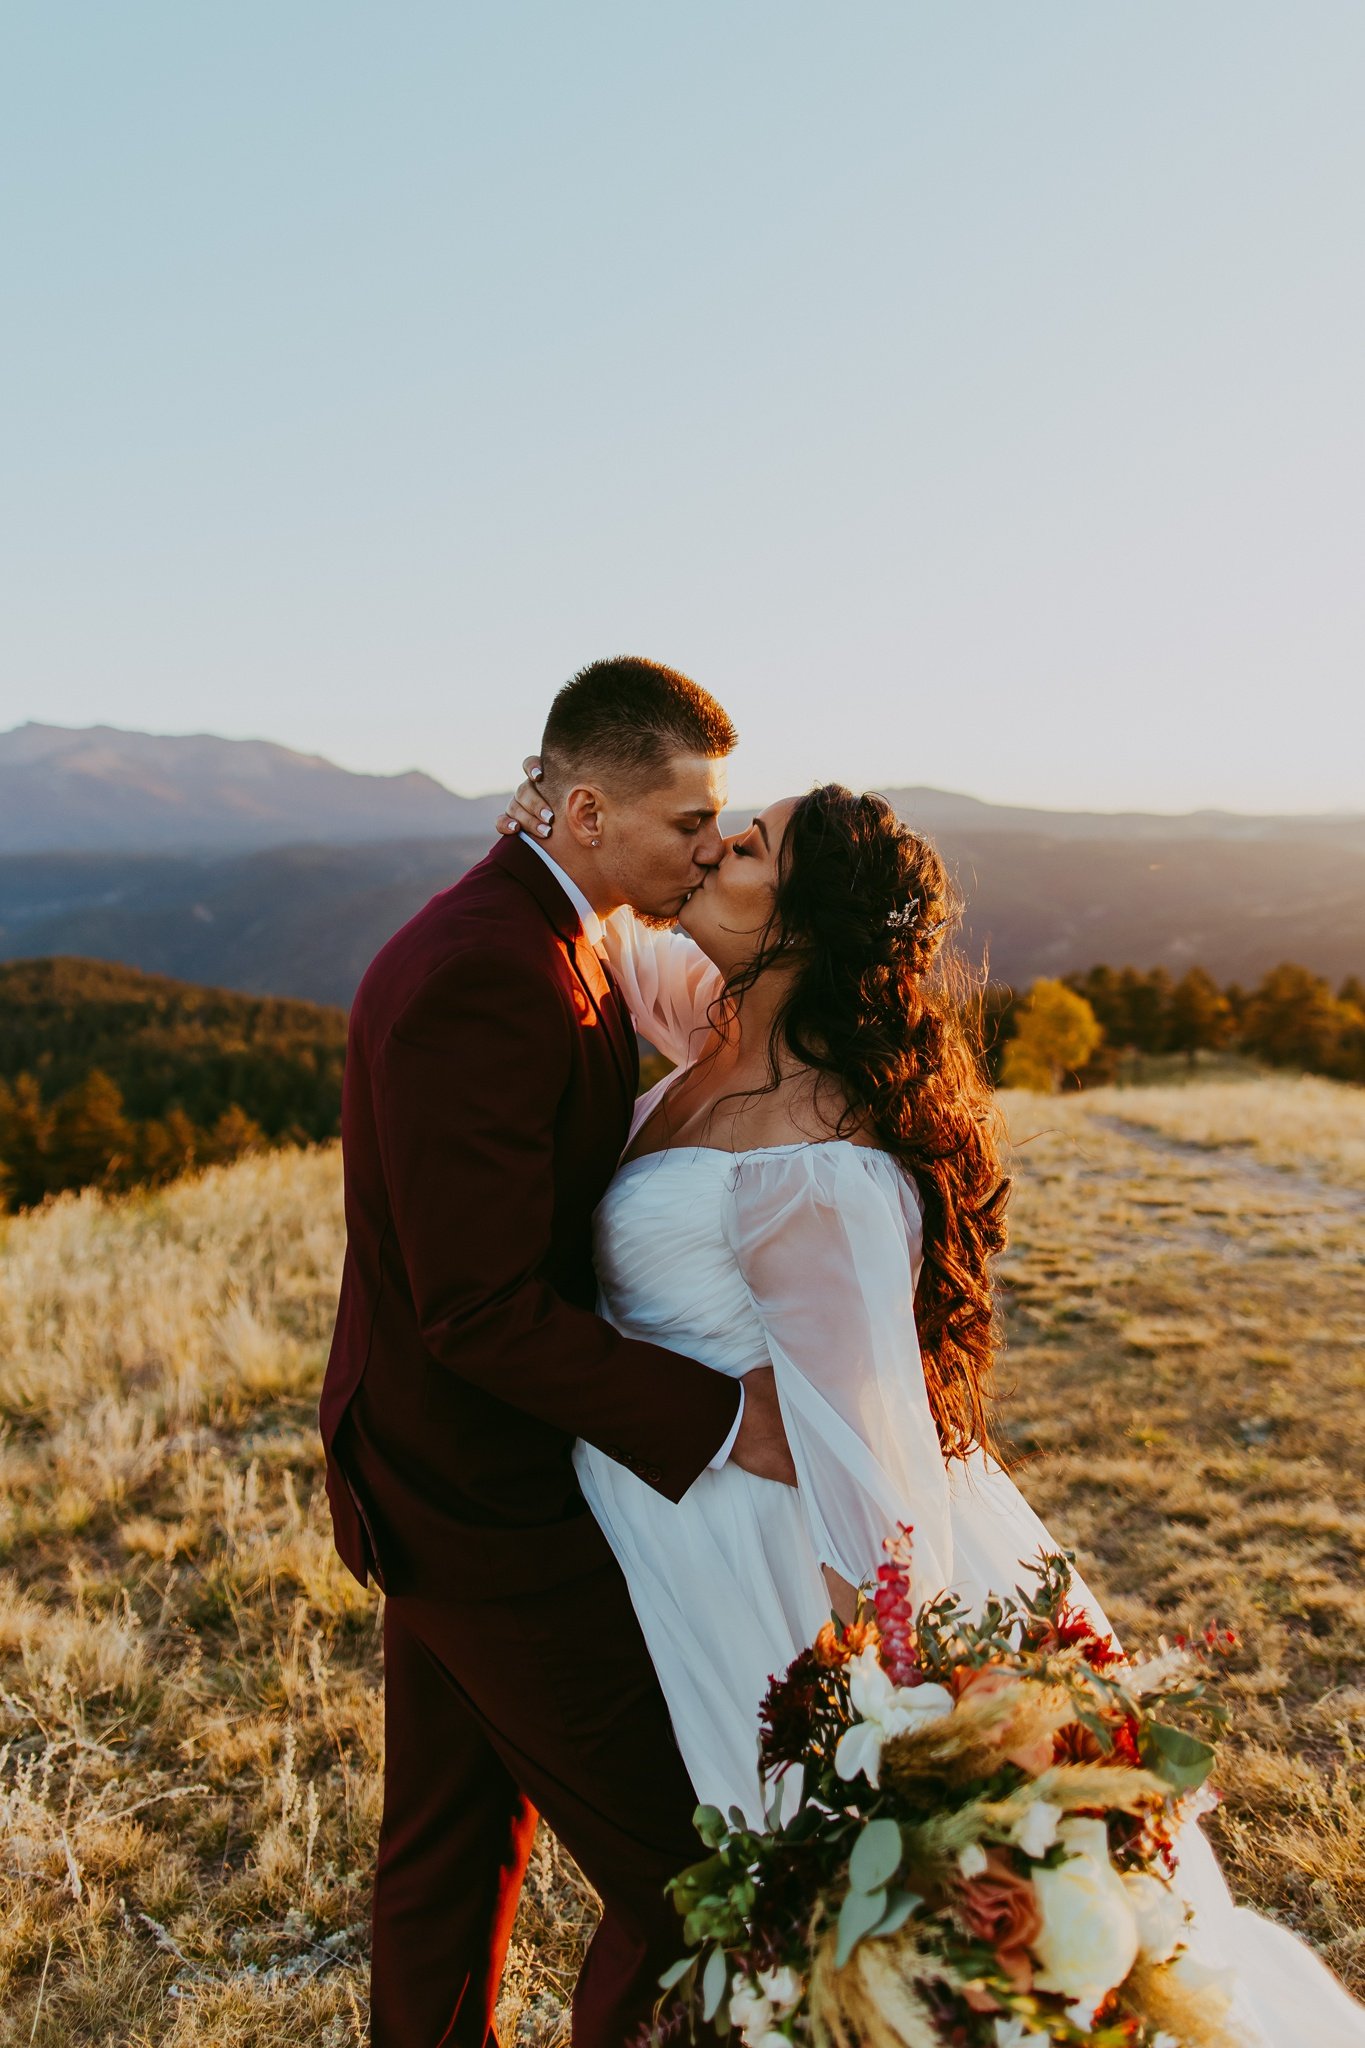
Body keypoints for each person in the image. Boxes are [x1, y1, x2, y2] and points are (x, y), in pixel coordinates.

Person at [498, 773, 1365, 2046]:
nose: (711, 854)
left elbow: (868, 1458)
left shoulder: (818, 1155)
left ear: (798, 923)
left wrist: (885, 1721)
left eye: (744, 846)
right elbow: (617, 930)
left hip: (775, 1567)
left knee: (838, 1940)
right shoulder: (719, 1025)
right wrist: (561, 813)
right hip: (675, 1518)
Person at [320, 656, 795, 2048]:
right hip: (483, 1504)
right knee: (692, 1872)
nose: (708, 845)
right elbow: (474, 1308)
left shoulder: (554, 929)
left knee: (447, 1857)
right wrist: (722, 1419)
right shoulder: (487, 968)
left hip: (438, 1473)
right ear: (585, 810)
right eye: (686, 822)